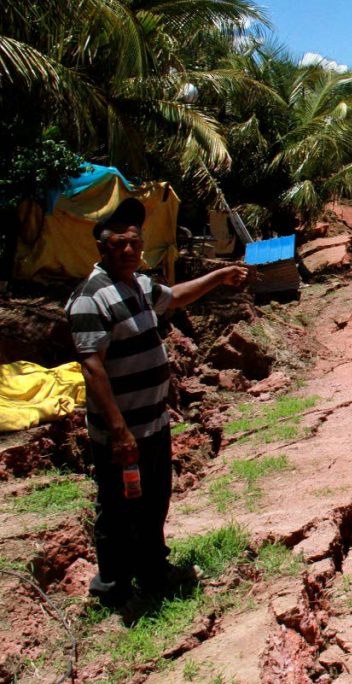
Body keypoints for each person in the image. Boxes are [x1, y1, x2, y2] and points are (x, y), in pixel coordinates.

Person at [65, 197, 249, 606]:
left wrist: (218, 277)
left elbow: (175, 296)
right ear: (102, 248)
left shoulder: (137, 284)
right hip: (122, 429)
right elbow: (92, 368)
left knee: (154, 500)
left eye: (135, 242)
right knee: (117, 506)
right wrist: (118, 431)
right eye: (120, 244)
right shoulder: (89, 297)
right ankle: (113, 586)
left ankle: (152, 568)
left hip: (152, 422)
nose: (129, 250)